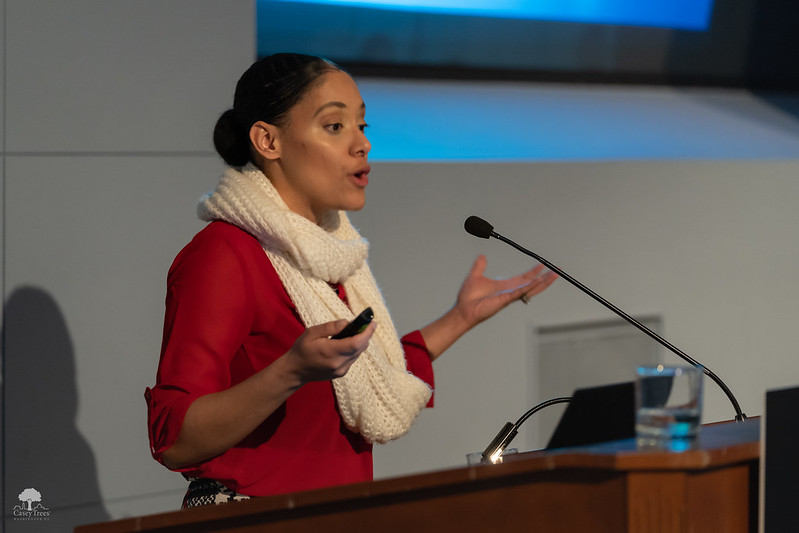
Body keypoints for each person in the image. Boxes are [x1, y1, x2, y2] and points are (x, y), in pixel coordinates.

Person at [145, 53, 557, 508]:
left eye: (363, 126)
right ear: (267, 140)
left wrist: (461, 318)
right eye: (335, 126)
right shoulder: (223, 255)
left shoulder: (329, 250)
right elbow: (174, 437)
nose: (362, 145)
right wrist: (290, 371)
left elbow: (366, 375)